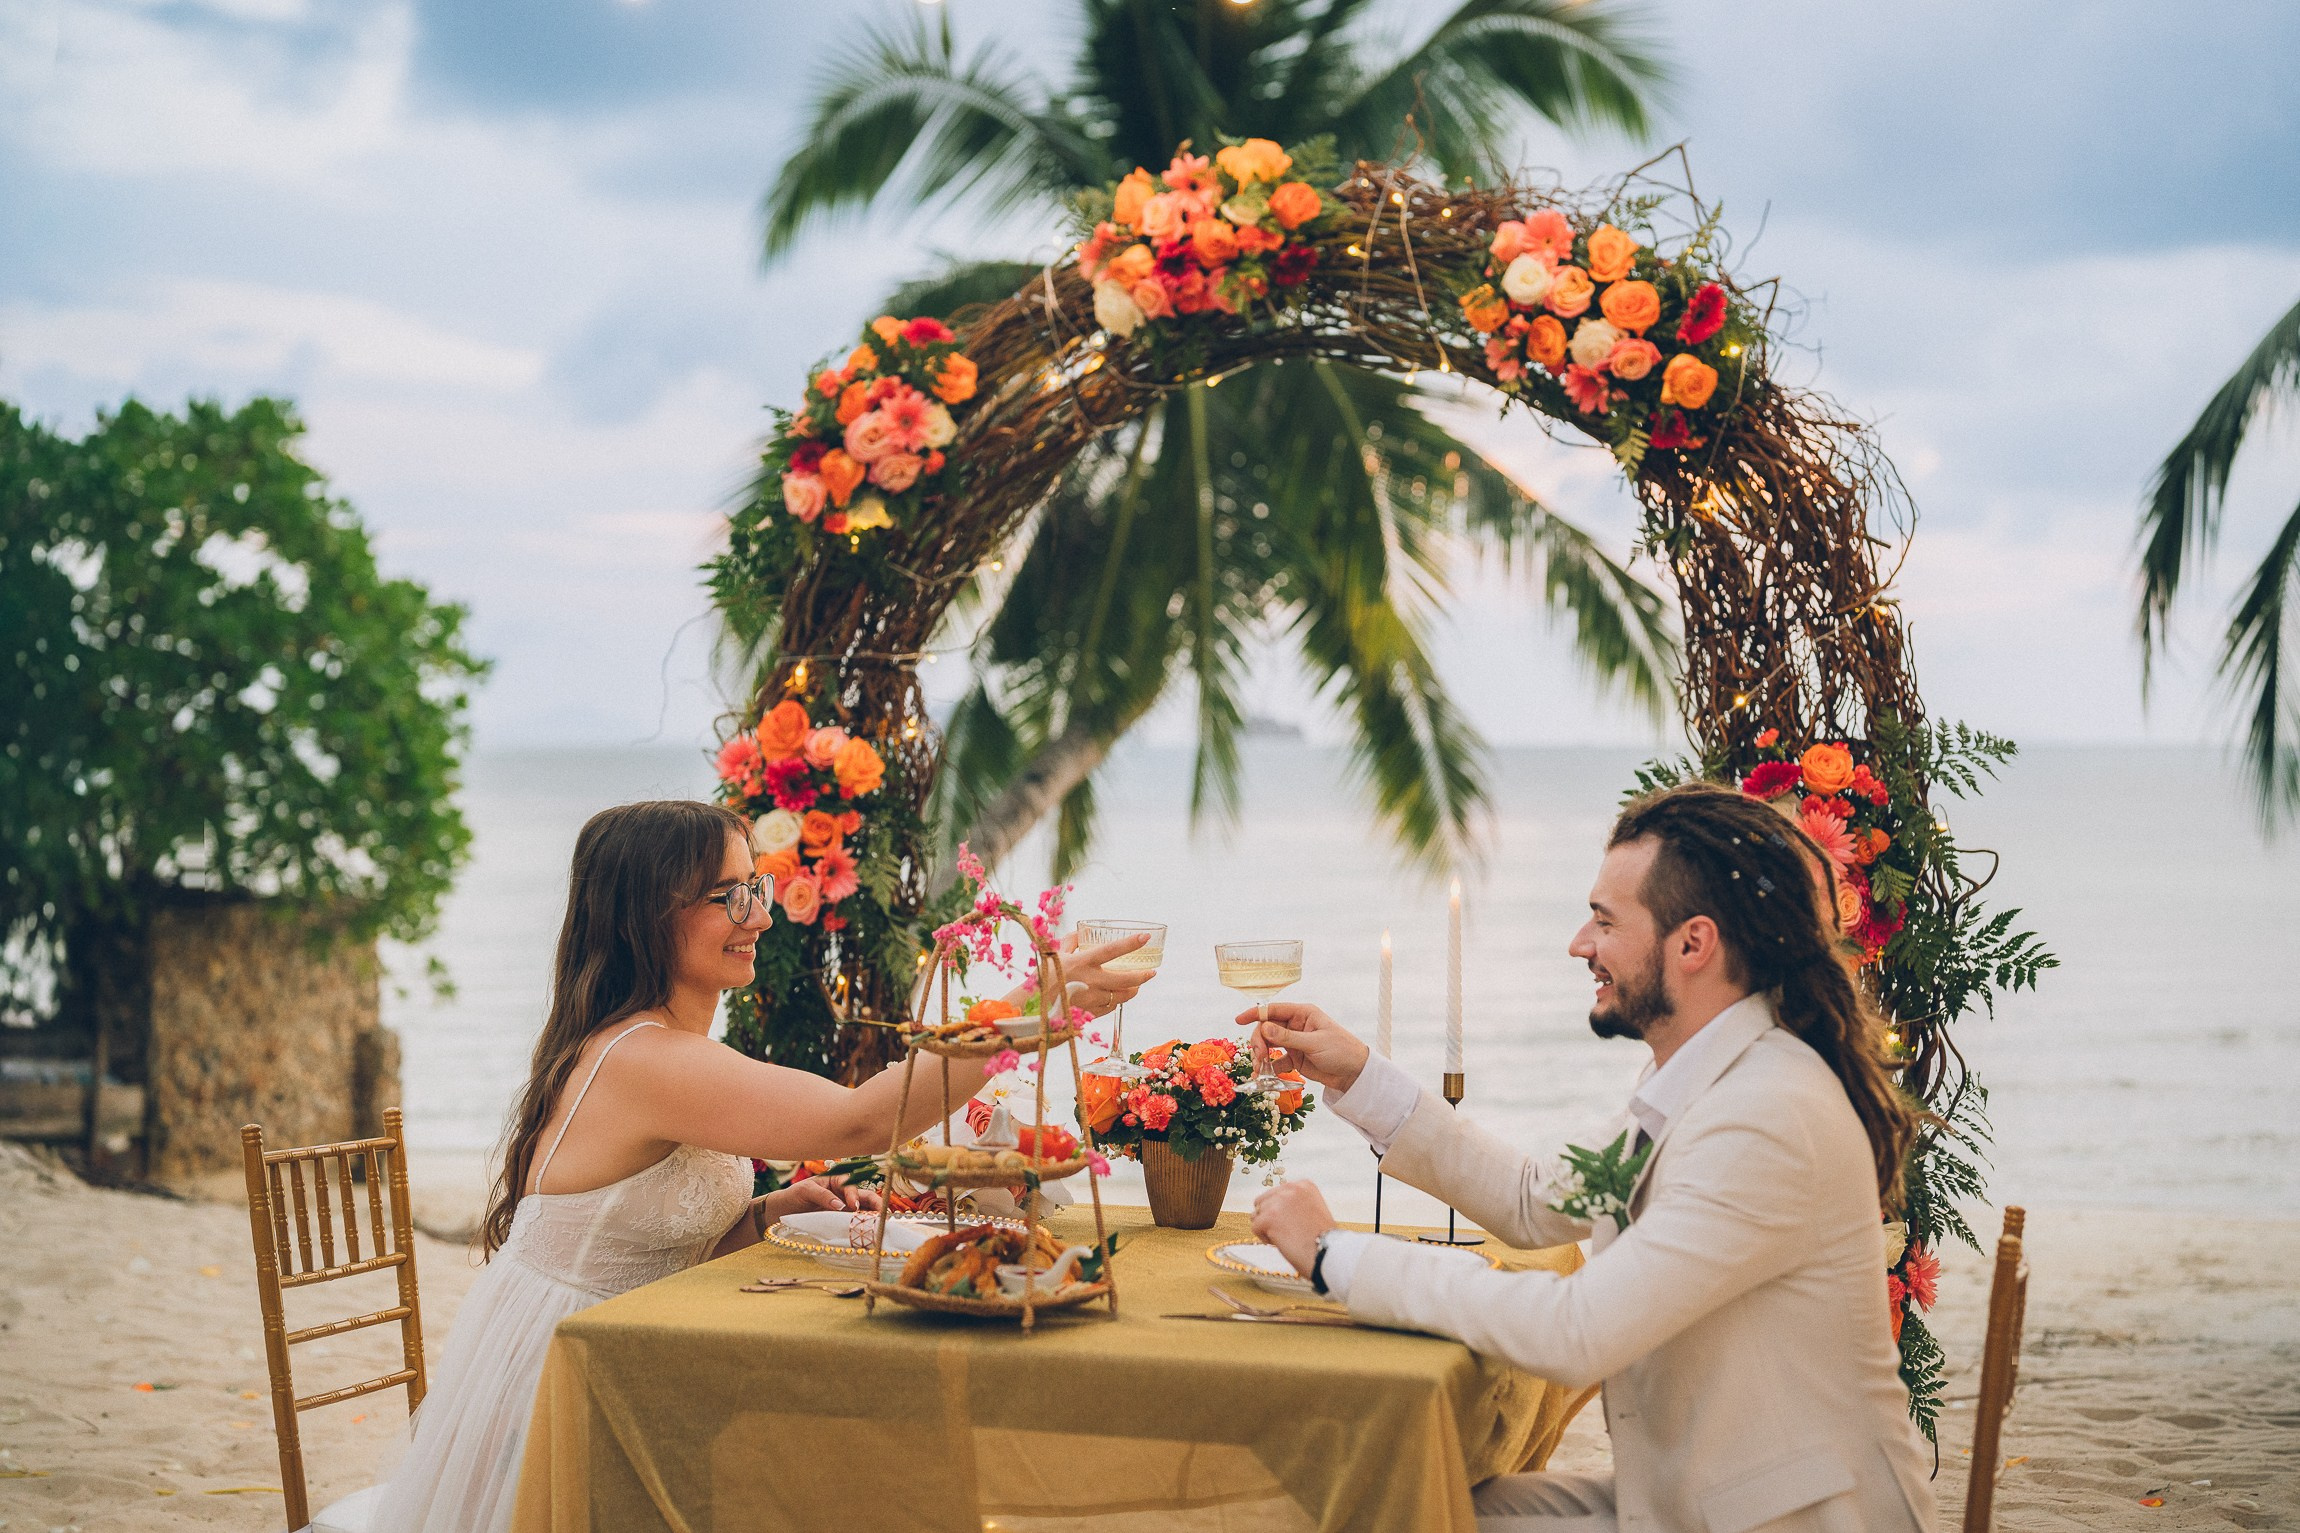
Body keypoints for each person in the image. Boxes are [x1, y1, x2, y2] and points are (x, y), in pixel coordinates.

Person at [370, 799, 1154, 1533]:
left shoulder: (665, 1048)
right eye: (730, 895)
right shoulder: (646, 1057)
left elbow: (647, 1249)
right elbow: (862, 1119)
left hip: (625, 1348)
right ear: (647, 915)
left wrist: (764, 1216)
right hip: (568, 1376)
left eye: (758, 885)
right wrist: (1035, 1001)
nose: (763, 914)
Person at [1247, 782, 1934, 1532]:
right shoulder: (1704, 1074)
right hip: (1697, 1496)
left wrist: (1336, 1255)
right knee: (1397, 1498)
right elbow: (1530, 1196)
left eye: (1605, 922)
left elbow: (1577, 1330)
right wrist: (1357, 1073)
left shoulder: (1767, 1116)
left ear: (1693, 943)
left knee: (1390, 1512)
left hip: (1792, 1518)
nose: (1581, 944)